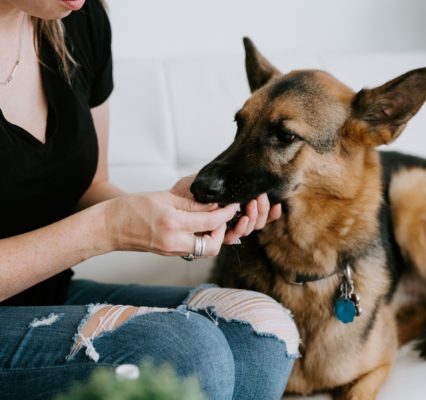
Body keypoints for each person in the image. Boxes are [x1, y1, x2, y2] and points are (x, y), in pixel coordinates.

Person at [0, 1, 299, 399]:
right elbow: (102, 221)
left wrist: (175, 212)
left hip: (47, 297)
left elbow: (90, 186)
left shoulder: (77, 21)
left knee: (261, 332)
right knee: (183, 350)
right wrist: (107, 229)